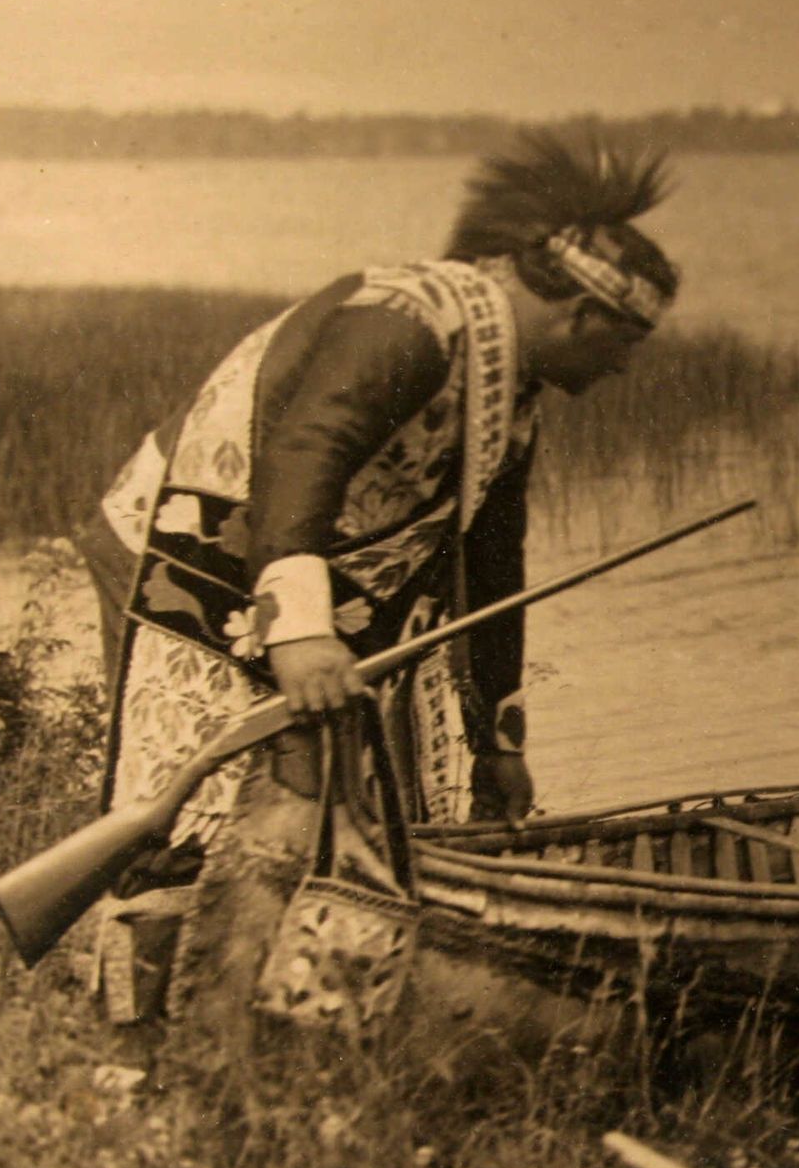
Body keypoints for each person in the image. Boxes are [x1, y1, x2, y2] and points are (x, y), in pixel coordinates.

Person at [72, 127, 678, 1028]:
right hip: (191, 564)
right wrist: (300, 633)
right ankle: (135, 1034)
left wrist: (499, 738)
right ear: (583, 317)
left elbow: (491, 566)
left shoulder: (513, 391)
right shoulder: (410, 321)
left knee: (365, 802)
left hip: (313, 586)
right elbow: (304, 453)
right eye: (625, 343)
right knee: (190, 809)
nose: (623, 366)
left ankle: (287, 1023)